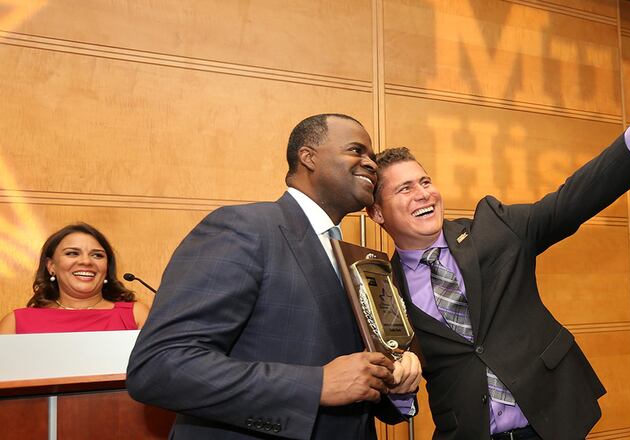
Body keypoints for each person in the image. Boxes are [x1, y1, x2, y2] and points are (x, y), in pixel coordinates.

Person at [366, 62, 630, 440]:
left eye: (425, 181)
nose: (423, 194)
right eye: (404, 189)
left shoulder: (494, 227)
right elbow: (390, 401)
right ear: (376, 213)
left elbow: (574, 200)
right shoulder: (381, 290)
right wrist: (398, 389)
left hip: (553, 423)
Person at [126, 114, 421, 440]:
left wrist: (395, 383)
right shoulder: (243, 228)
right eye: (357, 150)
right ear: (308, 157)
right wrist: (316, 385)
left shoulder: (355, 259)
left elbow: (354, 379)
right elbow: (160, 367)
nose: (370, 164)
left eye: (371, 156)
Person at [0, 222, 149, 334]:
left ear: (107, 267)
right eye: (72, 253)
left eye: (97, 255)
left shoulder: (135, 315)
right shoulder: (16, 323)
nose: (86, 261)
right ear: (51, 266)